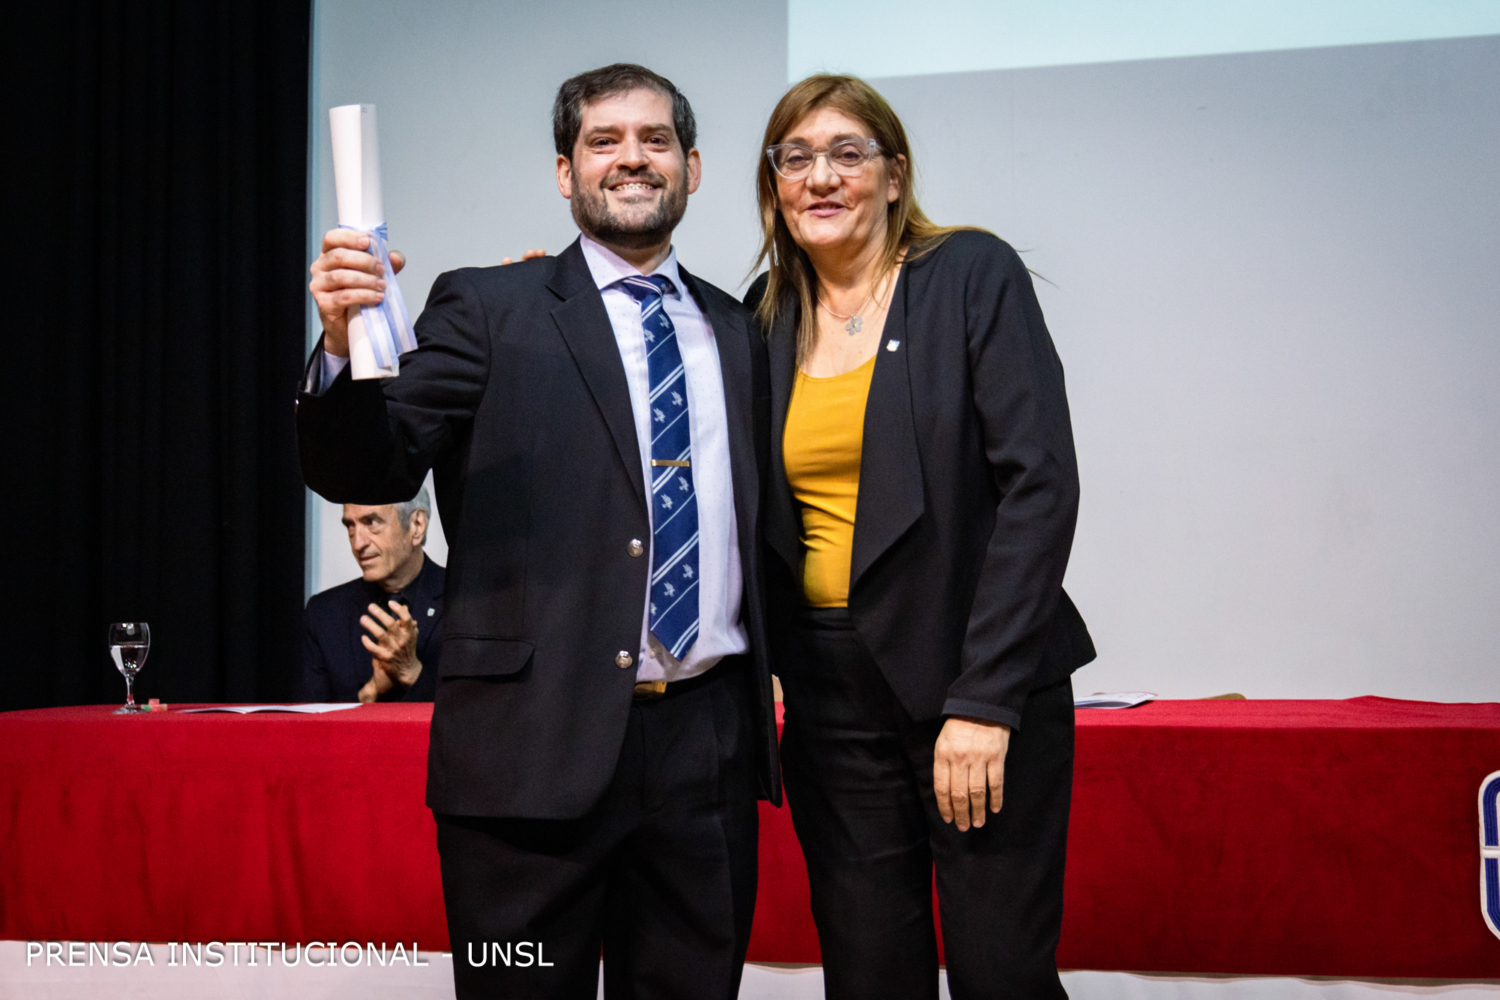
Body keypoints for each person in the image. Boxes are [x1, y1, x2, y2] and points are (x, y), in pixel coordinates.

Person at [297, 63, 779, 1000]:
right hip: (526, 760)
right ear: (566, 173)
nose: (632, 158)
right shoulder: (489, 308)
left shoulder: (739, 330)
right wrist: (342, 343)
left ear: (692, 168)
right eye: (604, 141)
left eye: (655, 140)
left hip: (705, 757)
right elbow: (371, 467)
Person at [745, 75, 1097, 999]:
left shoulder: (969, 274)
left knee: (1000, 976)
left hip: (972, 677)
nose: (821, 176)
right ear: (774, 183)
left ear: (895, 176)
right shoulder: (764, 316)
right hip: (829, 698)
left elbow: (1039, 489)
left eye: (847, 153)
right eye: (795, 157)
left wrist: (984, 701)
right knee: (869, 977)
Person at [297, 487, 444, 703]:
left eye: (371, 523)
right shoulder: (324, 614)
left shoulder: (465, 603)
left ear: (417, 526)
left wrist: (412, 673)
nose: (358, 544)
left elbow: (478, 712)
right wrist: (371, 691)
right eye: (350, 526)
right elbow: (308, 721)